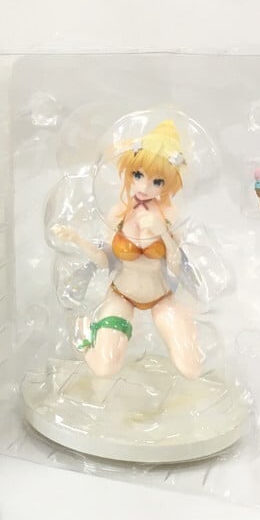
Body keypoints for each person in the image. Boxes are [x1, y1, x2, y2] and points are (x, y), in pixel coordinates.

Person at [52, 120, 203, 379]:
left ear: (167, 185)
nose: (144, 187)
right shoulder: (117, 215)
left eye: (156, 181)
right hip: (121, 296)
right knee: (104, 368)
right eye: (138, 175)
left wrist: (163, 233)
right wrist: (77, 239)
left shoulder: (170, 216)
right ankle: (84, 333)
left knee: (191, 368)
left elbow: (176, 266)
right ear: (129, 174)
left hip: (161, 297)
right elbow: (104, 261)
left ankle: (185, 327)